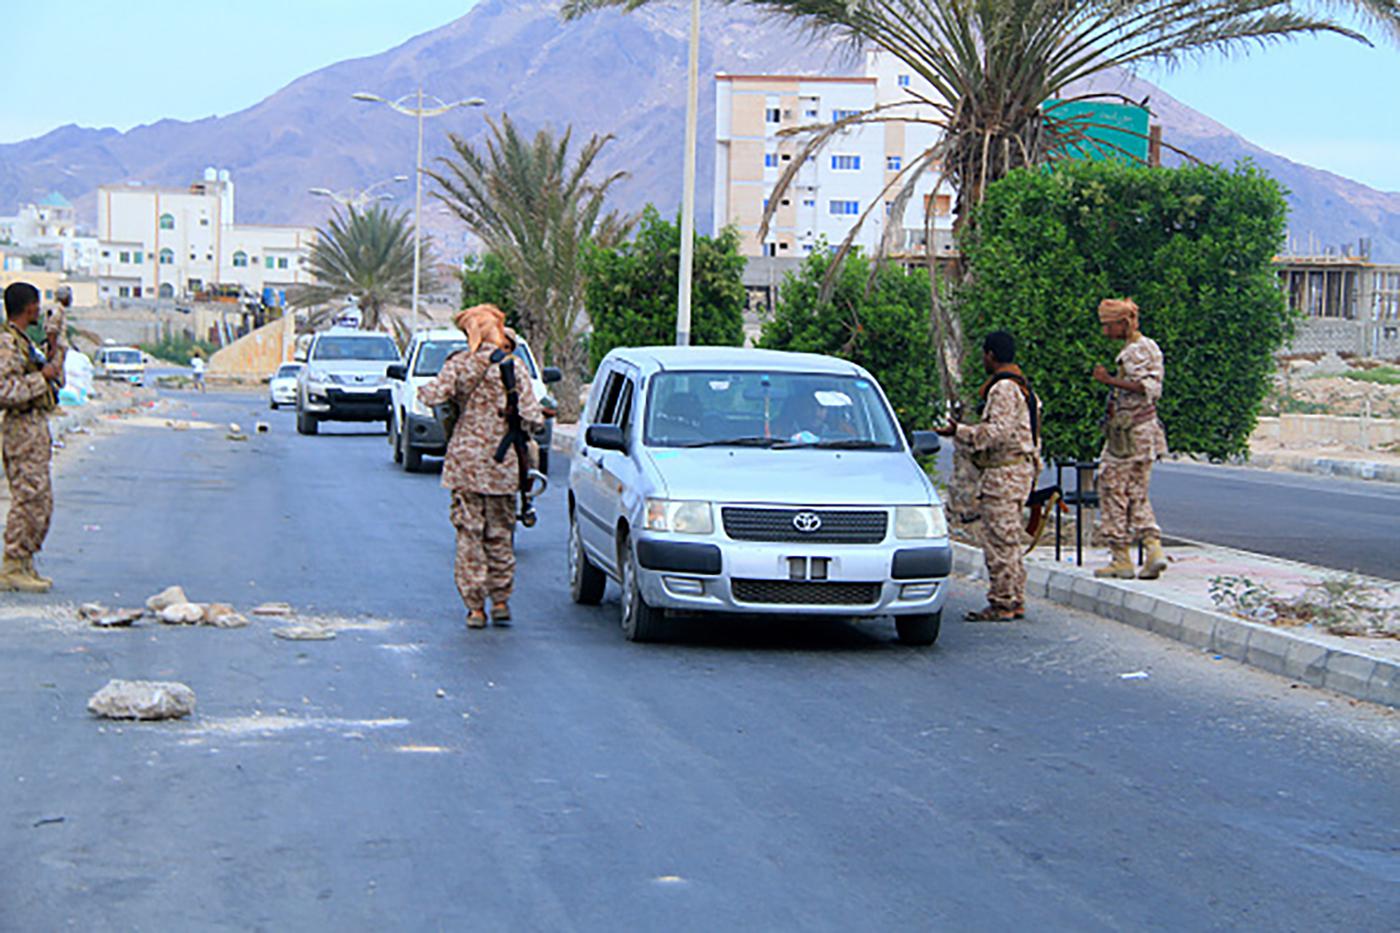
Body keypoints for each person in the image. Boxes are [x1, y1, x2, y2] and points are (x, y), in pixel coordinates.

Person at [419, 304, 543, 629]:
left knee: (468, 536)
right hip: (502, 465)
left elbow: (432, 396)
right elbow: (532, 416)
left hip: (464, 465)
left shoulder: (459, 364)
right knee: (501, 533)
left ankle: (475, 609)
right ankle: (500, 600)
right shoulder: (513, 368)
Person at [937, 331, 1040, 621]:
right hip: (1016, 471)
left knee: (999, 540)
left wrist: (960, 431)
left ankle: (1003, 602)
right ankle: (1013, 598)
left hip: (1003, 474)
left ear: (991, 355)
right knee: (1008, 539)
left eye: (984, 354)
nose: (983, 359)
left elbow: (996, 434)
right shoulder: (1023, 387)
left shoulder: (1004, 389)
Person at [1092, 298, 1169, 580]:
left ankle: (1120, 557)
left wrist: (1109, 381)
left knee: (1112, 488)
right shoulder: (1148, 347)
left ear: (1123, 323)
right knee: (1137, 492)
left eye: (1108, 326)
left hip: (1129, 435)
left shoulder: (1136, 351)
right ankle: (1153, 548)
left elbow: (1147, 387)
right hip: (1145, 433)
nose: (1105, 332)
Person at [0, 282, 64, 592]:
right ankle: (12, 564)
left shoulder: (25, 343)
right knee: (27, 497)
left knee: (40, 500)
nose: (39, 311)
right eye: (37, 306)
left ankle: (24, 560)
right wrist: (42, 379)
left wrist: (54, 362)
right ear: (29, 308)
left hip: (34, 426)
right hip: (20, 428)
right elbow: (4, 391)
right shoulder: (7, 344)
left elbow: (51, 381)